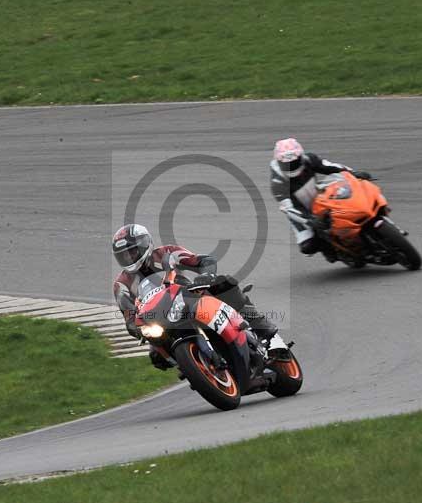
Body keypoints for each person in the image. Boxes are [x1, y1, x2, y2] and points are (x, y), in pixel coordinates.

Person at [111, 223, 285, 369]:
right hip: (161, 318)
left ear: (144, 244)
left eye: (132, 252)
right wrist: (136, 327)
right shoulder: (121, 284)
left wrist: (206, 275)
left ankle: (265, 331)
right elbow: (129, 316)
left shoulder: (166, 253)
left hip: (190, 296)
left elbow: (203, 261)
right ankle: (195, 367)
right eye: (123, 255)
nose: (129, 257)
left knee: (225, 284)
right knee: (157, 357)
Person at [270, 137, 372, 261]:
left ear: (300, 157)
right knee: (308, 246)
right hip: (301, 213)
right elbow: (289, 208)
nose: (291, 166)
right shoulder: (278, 183)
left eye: (294, 162)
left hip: (320, 199)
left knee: (351, 207)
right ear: (279, 162)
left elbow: (330, 166)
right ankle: (331, 251)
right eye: (286, 164)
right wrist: (309, 220)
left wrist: (353, 173)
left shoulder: (309, 159)